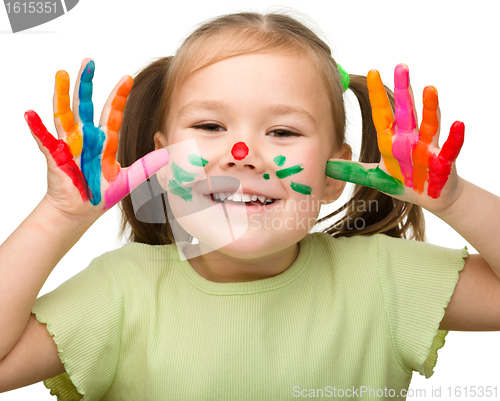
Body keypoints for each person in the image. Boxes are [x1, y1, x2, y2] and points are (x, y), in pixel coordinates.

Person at [1, 11, 499, 401]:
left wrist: (452, 199)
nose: (243, 156)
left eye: (282, 131)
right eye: (210, 127)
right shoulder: (119, 291)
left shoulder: (384, 279)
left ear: (334, 172)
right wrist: (60, 215)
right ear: (161, 159)